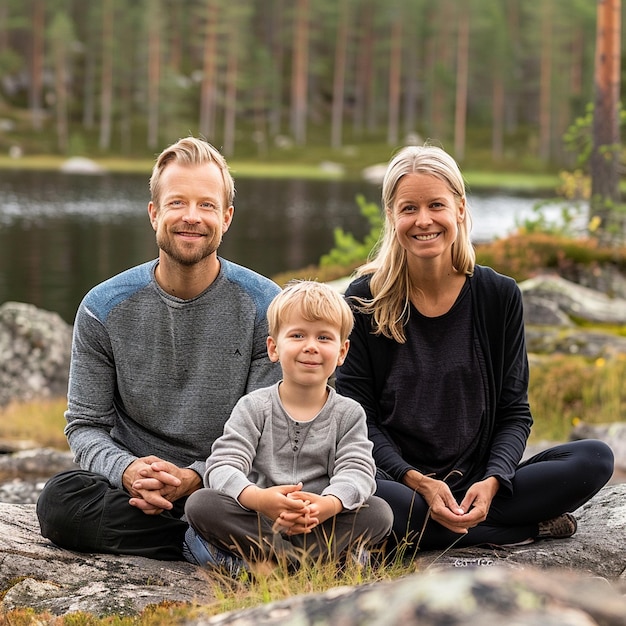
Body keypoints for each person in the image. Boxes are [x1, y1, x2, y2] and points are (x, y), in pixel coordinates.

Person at [334, 144, 615, 554]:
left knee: (594, 459)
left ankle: (418, 538)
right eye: (408, 208)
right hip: (398, 484)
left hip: (478, 484)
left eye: (436, 205)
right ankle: (522, 528)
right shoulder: (364, 300)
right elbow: (357, 420)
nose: (423, 220)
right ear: (392, 216)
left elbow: (514, 412)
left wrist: (495, 479)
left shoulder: (497, 295)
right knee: (362, 497)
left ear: (460, 209)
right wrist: (416, 480)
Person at [36, 137, 282, 561]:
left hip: (230, 483)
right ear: (154, 214)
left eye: (206, 205)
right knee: (59, 502)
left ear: (226, 217)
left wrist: (195, 478)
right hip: (133, 489)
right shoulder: (102, 307)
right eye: (177, 203)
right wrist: (128, 471)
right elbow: (85, 425)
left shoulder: (266, 307)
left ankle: (205, 531)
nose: (191, 217)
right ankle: (196, 541)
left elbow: (268, 434)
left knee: (269, 494)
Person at [183, 280, 393, 573]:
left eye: (324, 338)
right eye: (297, 335)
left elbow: (358, 471)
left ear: (342, 352)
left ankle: (268, 566)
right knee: (201, 504)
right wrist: (258, 499)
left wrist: (327, 505)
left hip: (319, 524)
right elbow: (222, 465)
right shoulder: (254, 407)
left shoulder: (348, 413)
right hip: (259, 520)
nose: (310, 347)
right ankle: (308, 566)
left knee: (379, 512)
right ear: (273, 347)